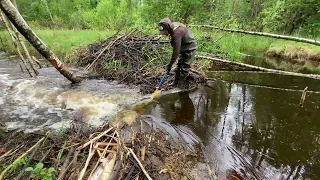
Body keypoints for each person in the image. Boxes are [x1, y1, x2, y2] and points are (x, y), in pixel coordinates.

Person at [159, 18, 197, 89]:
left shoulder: (176, 33)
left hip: (190, 47)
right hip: (183, 46)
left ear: (168, 28)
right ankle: (175, 83)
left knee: (184, 67)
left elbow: (176, 52)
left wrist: (170, 65)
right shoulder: (172, 28)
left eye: (165, 32)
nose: (164, 34)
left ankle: (180, 87)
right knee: (179, 65)